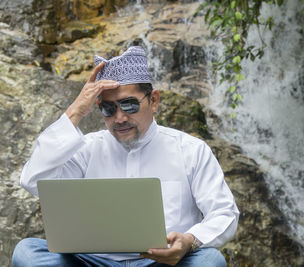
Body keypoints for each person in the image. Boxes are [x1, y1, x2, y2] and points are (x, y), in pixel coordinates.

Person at [11, 46, 239, 267]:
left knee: (209, 261)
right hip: (92, 261)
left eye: (129, 105)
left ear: (154, 101)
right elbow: (32, 181)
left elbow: (224, 212)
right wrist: (75, 111)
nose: (119, 117)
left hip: (164, 264)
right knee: (27, 252)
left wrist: (189, 241)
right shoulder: (87, 149)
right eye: (108, 108)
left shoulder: (191, 150)